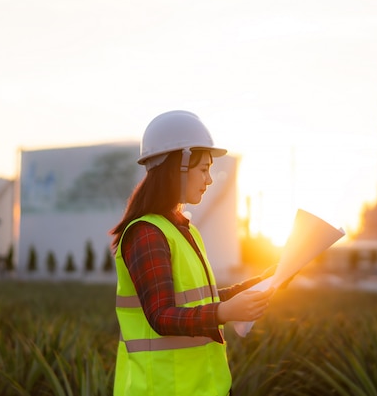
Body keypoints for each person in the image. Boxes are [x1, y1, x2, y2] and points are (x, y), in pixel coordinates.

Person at [110, 110, 274, 396]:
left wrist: (263, 282)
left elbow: (201, 299)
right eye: (203, 169)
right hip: (161, 389)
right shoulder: (145, 234)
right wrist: (224, 312)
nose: (209, 179)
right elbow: (161, 315)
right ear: (179, 166)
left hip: (206, 387)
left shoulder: (184, 229)